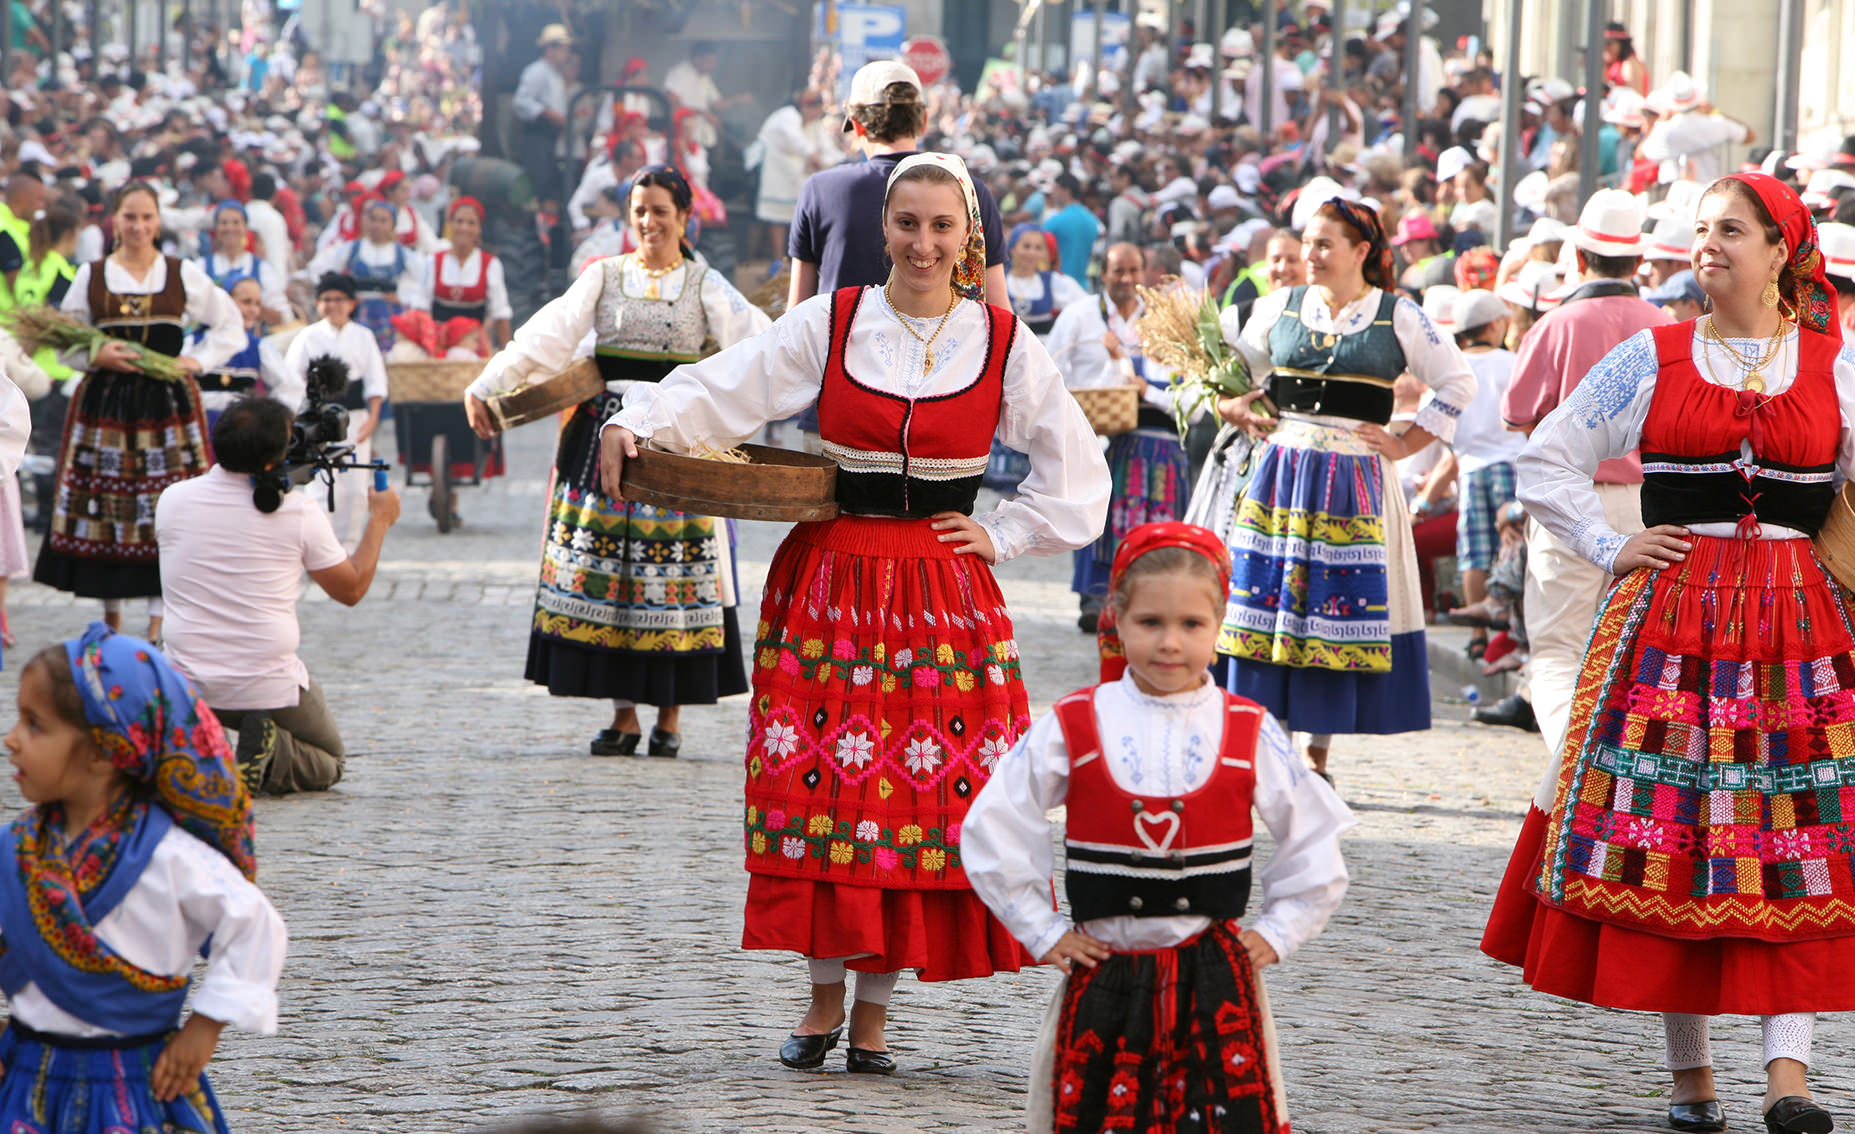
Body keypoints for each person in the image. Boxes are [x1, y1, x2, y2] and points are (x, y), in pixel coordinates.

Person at [598, 153, 1108, 1071]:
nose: (922, 242)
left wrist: (1006, 532)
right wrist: (638, 421)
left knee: (917, 806)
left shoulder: (1001, 340)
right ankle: (819, 1000)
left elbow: (1074, 469)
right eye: (906, 223)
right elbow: (729, 386)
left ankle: (873, 1019)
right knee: (827, 797)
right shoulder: (831, 322)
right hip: (831, 583)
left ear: (967, 237)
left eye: (940, 226)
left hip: (944, 599)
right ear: (884, 230)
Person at [1484, 172, 1855, 1134]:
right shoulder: (1650, 355)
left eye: (1730, 229)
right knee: (1668, 833)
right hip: (1669, 624)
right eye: (1698, 229)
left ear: (1781, 250)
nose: (1707, 244)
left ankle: (1789, 1073)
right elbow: (1543, 456)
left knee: (1792, 835)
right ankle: (1690, 1075)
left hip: (1794, 629)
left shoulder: (1833, 361)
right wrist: (1611, 545)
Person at [964, 521, 1352, 1134]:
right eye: (1150, 623)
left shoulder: (1247, 729)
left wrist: (1280, 931)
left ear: (1220, 625)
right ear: (1116, 618)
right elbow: (995, 823)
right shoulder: (1078, 722)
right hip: (1104, 972)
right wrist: (1042, 930)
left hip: (1214, 977)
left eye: (1191, 625)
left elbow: (1313, 835)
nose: (1170, 643)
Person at [465, 166, 770, 758]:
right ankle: (625, 714)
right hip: (600, 437)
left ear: (684, 216)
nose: (649, 222)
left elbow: (757, 348)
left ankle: (672, 717)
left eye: (660, 210)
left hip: (671, 440)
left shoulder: (707, 285)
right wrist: (488, 382)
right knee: (612, 576)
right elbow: (545, 338)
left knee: (675, 577)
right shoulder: (603, 276)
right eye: (639, 212)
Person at [1215, 198, 1475, 781]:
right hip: (1282, 476)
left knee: (1333, 609)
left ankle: (1318, 750)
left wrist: (1406, 445)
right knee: (1276, 602)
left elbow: (1458, 381)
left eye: (1325, 243)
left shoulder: (1396, 315)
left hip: (1354, 482)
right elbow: (1230, 371)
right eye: (1307, 242)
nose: (1310, 254)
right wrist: (1228, 405)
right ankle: (1270, 743)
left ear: (1362, 252)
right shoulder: (1276, 307)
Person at [0, 625, 285, 1131]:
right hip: (26, 1078)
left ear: (106, 750)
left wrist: (205, 1027)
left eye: (35, 725)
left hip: (136, 1086)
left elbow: (254, 924)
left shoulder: (172, 860)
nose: (11, 739)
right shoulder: (15, 850)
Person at [1494, 190, 1672, 752]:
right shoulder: (1663, 324)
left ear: (1579, 257)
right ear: (1638, 262)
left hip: (1570, 497)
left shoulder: (1556, 324)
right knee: (1623, 652)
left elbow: (1517, 413)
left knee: (1555, 651)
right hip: (1648, 503)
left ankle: (1569, 775)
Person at [157, 398, 402, 795]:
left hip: (186, 679)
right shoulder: (298, 511)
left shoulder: (171, 500)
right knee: (329, 762)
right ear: (274, 460)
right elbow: (352, 589)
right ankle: (272, 750)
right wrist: (379, 519)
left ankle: (193, 739)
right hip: (268, 683)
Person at [34, 182, 244, 642]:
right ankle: (111, 619)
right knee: (109, 507)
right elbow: (64, 344)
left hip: (166, 408)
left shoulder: (180, 273)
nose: (138, 227)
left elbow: (231, 325)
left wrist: (196, 361)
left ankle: (158, 620)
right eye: (130, 217)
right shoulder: (92, 276)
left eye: (147, 218)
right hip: (106, 408)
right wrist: (96, 355)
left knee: (166, 507)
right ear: (115, 219)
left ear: (158, 222)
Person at [787, 60, 1008, 313]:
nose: (923, 244)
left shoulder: (820, 190)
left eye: (941, 225)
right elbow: (999, 310)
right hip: (942, 350)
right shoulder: (968, 190)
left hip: (839, 349)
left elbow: (797, 311)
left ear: (857, 125)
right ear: (924, 120)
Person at [1048, 243, 1187, 632]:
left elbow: (1178, 378)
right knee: (1092, 516)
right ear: (1103, 275)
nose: (1125, 279)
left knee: (1126, 519)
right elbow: (1050, 368)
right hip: (1091, 429)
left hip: (1144, 430)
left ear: (1144, 272)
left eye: (1132, 270)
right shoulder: (1079, 317)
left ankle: (1138, 595)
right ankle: (1093, 599)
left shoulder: (1161, 322)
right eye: (1117, 271)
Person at [1443, 289, 1525, 658]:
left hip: (1470, 467)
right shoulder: (1510, 362)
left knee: (1473, 552)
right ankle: (1511, 630)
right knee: (1513, 547)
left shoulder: (1452, 367)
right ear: (1494, 325)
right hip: (1511, 463)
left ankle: (1478, 634)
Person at [283, 274, 387, 550]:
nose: (334, 306)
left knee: (354, 488)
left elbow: (375, 383)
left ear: (352, 303)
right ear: (318, 304)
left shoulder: (363, 336)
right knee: (320, 484)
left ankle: (348, 547)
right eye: (327, 299)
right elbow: (291, 382)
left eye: (339, 299)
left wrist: (373, 418)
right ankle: (320, 547)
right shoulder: (307, 337)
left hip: (354, 418)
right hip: (316, 419)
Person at [307, 196, 416, 352]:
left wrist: (403, 297)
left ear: (392, 224)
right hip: (357, 312)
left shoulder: (403, 254)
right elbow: (323, 271)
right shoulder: (351, 249)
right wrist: (344, 294)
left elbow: (420, 284)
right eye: (373, 219)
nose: (377, 225)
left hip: (389, 315)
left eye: (383, 221)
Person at [193, 276, 291, 425]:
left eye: (257, 303)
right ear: (224, 301)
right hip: (201, 430)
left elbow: (287, 387)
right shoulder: (194, 343)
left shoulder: (258, 348)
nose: (253, 310)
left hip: (242, 434)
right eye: (246, 302)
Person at [753, 90, 826, 261]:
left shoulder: (812, 124)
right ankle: (778, 259)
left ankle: (794, 257)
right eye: (816, 109)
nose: (818, 114)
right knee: (776, 215)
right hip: (773, 168)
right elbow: (796, 140)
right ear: (806, 107)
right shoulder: (787, 116)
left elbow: (823, 145)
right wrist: (811, 155)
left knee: (796, 214)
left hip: (792, 173)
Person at [193, 200, 287, 324]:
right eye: (224, 223)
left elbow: (283, 315)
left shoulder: (261, 268)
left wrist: (251, 304)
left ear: (245, 228)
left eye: (236, 222)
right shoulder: (201, 266)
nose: (230, 228)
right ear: (216, 229)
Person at [512, 25, 573, 210]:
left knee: (549, 187)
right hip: (536, 138)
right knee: (538, 187)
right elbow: (521, 101)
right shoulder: (537, 71)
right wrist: (547, 113)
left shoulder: (554, 75)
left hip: (550, 140)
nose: (566, 54)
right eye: (563, 48)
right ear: (550, 48)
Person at [1002, 223, 1085, 339]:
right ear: (1012, 248)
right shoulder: (1000, 279)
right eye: (1026, 246)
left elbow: (1084, 307)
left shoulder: (1053, 281)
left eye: (1038, 248)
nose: (1032, 253)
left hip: (1041, 349)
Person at [1041, 173, 1101, 286]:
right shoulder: (1092, 220)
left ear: (1066, 191)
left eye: (1055, 189)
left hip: (1060, 285)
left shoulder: (1056, 221)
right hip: (1084, 285)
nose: (1052, 194)